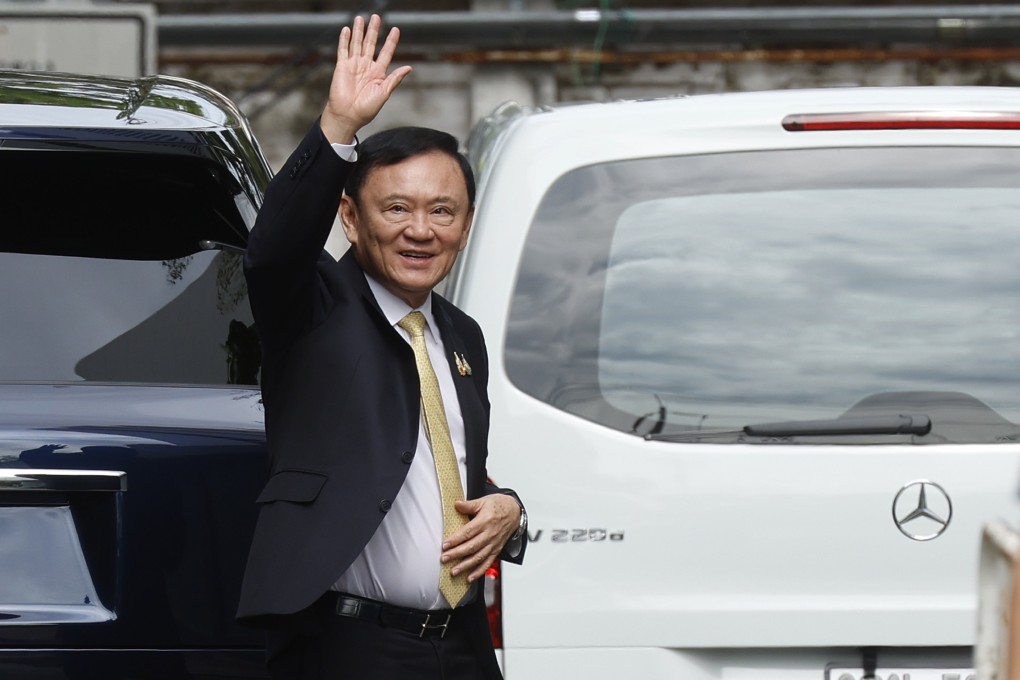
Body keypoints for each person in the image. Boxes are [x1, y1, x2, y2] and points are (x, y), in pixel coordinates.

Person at [236, 13, 527, 680]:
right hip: (349, 648)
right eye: (396, 208)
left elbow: (439, 471)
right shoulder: (313, 309)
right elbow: (272, 252)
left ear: (466, 226)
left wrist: (509, 509)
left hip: (460, 647)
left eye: (442, 211)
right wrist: (338, 126)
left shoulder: (462, 336)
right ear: (350, 217)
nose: (420, 230)